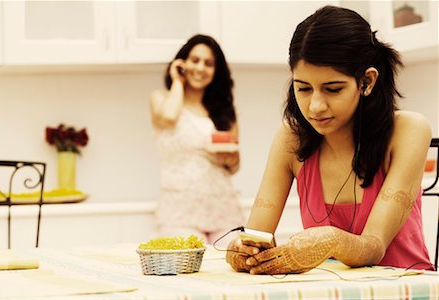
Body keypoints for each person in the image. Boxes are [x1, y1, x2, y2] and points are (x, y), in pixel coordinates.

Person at [226, 5, 433, 274]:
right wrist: (241, 252)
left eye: (332, 89)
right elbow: (256, 234)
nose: (315, 106)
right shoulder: (292, 139)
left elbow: (374, 247)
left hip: (406, 289)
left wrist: (330, 240)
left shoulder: (409, 130)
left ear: (367, 82)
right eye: (303, 88)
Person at [149, 34, 243, 245]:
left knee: (232, 268)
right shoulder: (161, 99)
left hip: (223, 209)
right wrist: (177, 81)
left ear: (216, 71)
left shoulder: (225, 112)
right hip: (179, 211)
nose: (200, 68)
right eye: (195, 60)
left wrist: (229, 158)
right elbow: (169, 117)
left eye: (208, 64)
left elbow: (235, 166)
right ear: (182, 62)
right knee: (189, 269)